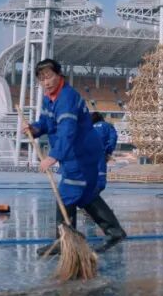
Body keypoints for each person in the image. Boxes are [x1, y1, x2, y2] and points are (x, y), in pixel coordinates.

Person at [24, 59, 126, 254]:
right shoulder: (49, 98)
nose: (46, 82)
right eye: (41, 79)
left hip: (81, 153)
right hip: (74, 154)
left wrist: (53, 156)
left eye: (49, 76)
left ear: (59, 75)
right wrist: (33, 129)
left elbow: (67, 131)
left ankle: (64, 241)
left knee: (67, 193)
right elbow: (45, 123)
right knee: (86, 195)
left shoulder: (66, 97)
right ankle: (114, 231)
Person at [91, 112, 118, 193]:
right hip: (99, 154)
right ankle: (92, 196)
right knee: (100, 181)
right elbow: (113, 139)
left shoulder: (88, 127)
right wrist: (108, 152)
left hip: (86, 155)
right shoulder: (107, 126)